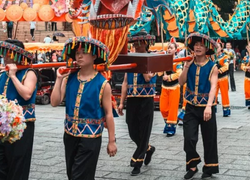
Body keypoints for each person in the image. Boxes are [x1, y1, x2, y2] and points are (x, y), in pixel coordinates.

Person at [50, 37, 117, 180]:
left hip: (90, 138)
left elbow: (109, 114)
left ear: (94, 56)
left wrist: (111, 141)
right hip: (69, 135)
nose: (79, 56)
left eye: (84, 52)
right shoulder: (69, 78)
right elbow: (55, 102)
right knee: (71, 173)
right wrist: (59, 79)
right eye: (77, 53)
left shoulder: (103, 84)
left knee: (80, 176)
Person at [0, 39, 38, 180]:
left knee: (18, 166)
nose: (4, 57)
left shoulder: (29, 73)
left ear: (17, 56)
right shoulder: (3, 74)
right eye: (4, 54)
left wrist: (14, 76)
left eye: (8, 54)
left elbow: (27, 94)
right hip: (3, 125)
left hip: (22, 124)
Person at [179, 33, 219, 180]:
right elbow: (181, 82)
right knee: (188, 138)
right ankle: (193, 164)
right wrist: (186, 67)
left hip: (206, 108)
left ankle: (209, 167)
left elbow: (213, 87)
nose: (198, 47)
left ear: (206, 48)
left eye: (201, 45)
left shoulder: (212, 66)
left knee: (209, 139)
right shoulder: (188, 63)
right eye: (196, 45)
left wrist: (209, 106)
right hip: (190, 107)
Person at [118, 32, 156, 176]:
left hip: (146, 98)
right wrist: (122, 102)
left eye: (138, 42)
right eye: (134, 43)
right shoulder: (130, 59)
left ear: (145, 43)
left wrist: (143, 63)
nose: (135, 45)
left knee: (144, 130)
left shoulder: (153, 58)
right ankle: (148, 148)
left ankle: (137, 161)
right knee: (132, 129)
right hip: (133, 98)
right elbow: (125, 82)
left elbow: (147, 78)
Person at [159, 39, 183, 136]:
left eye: (171, 48)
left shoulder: (177, 61)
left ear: (175, 50)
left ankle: (171, 127)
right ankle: (171, 121)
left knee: (173, 108)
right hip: (164, 87)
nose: (169, 49)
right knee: (163, 108)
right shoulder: (164, 60)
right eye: (168, 48)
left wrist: (169, 77)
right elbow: (159, 71)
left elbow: (179, 73)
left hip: (174, 87)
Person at [215, 41, 231, 116]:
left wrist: (219, 70)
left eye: (218, 46)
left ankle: (226, 110)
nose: (216, 48)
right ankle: (213, 109)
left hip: (223, 77)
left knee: (224, 94)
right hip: (214, 79)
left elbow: (226, 66)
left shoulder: (225, 56)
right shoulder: (212, 57)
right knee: (213, 94)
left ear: (221, 48)